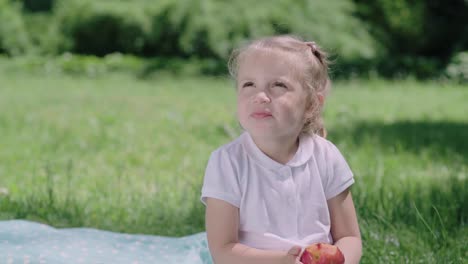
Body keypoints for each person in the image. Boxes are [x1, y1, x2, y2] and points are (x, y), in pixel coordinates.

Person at [200, 35, 362, 264]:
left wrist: (341, 261)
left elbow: (349, 237)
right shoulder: (227, 162)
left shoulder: (326, 157)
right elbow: (223, 250)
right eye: (249, 84)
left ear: (311, 104)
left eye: (278, 85)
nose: (260, 96)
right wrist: (283, 260)